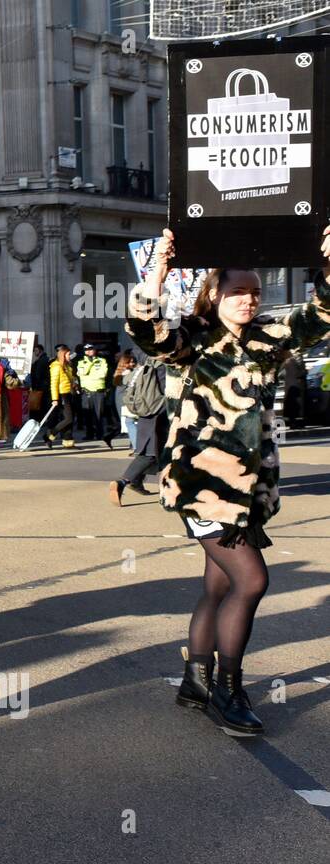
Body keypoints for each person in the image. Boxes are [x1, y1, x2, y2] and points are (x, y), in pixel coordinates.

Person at [127, 225, 330, 736]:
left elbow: (318, 318)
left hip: (247, 493)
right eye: (239, 291)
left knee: (217, 587)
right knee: (252, 579)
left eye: (256, 292)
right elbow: (145, 330)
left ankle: (195, 681)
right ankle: (228, 690)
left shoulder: (265, 338)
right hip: (202, 487)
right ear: (215, 292)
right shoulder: (191, 340)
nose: (248, 300)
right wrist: (158, 273)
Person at [108, 354, 166, 506]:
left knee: (149, 453)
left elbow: (124, 380)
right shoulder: (165, 368)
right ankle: (122, 482)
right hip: (159, 415)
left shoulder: (144, 367)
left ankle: (137, 481)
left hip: (145, 414)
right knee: (152, 455)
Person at [77, 343, 114, 447]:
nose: (89, 351)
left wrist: (91, 374)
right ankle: (89, 434)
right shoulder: (81, 362)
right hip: (87, 391)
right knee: (87, 414)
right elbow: (82, 373)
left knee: (99, 413)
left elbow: (103, 374)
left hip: (99, 391)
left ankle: (99, 433)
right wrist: (90, 364)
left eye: (91, 349)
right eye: (87, 350)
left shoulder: (102, 361)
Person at [47, 344, 77, 449]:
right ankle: (50, 434)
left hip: (69, 393)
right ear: (63, 354)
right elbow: (54, 383)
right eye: (68, 354)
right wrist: (54, 399)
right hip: (62, 395)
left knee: (69, 419)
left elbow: (71, 379)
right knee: (68, 419)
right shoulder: (56, 366)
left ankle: (68, 442)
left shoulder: (67, 365)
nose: (70, 355)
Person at [113, 350, 138, 452]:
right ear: (125, 363)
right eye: (130, 362)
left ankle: (133, 443)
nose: (132, 364)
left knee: (128, 422)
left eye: (133, 362)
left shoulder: (119, 372)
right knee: (131, 422)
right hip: (126, 400)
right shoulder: (128, 373)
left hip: (120, 399)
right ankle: (134, 445)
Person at [28, 342, 50, 422]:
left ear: (40, 351)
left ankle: (39, 420)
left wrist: (35, 385)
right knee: (42, 405)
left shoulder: (41, 361)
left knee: (39, 405)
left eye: (36, 350)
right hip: (43, 385)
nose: (35, 352)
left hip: (40, 386)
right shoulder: (44, 359)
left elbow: (38, 375)